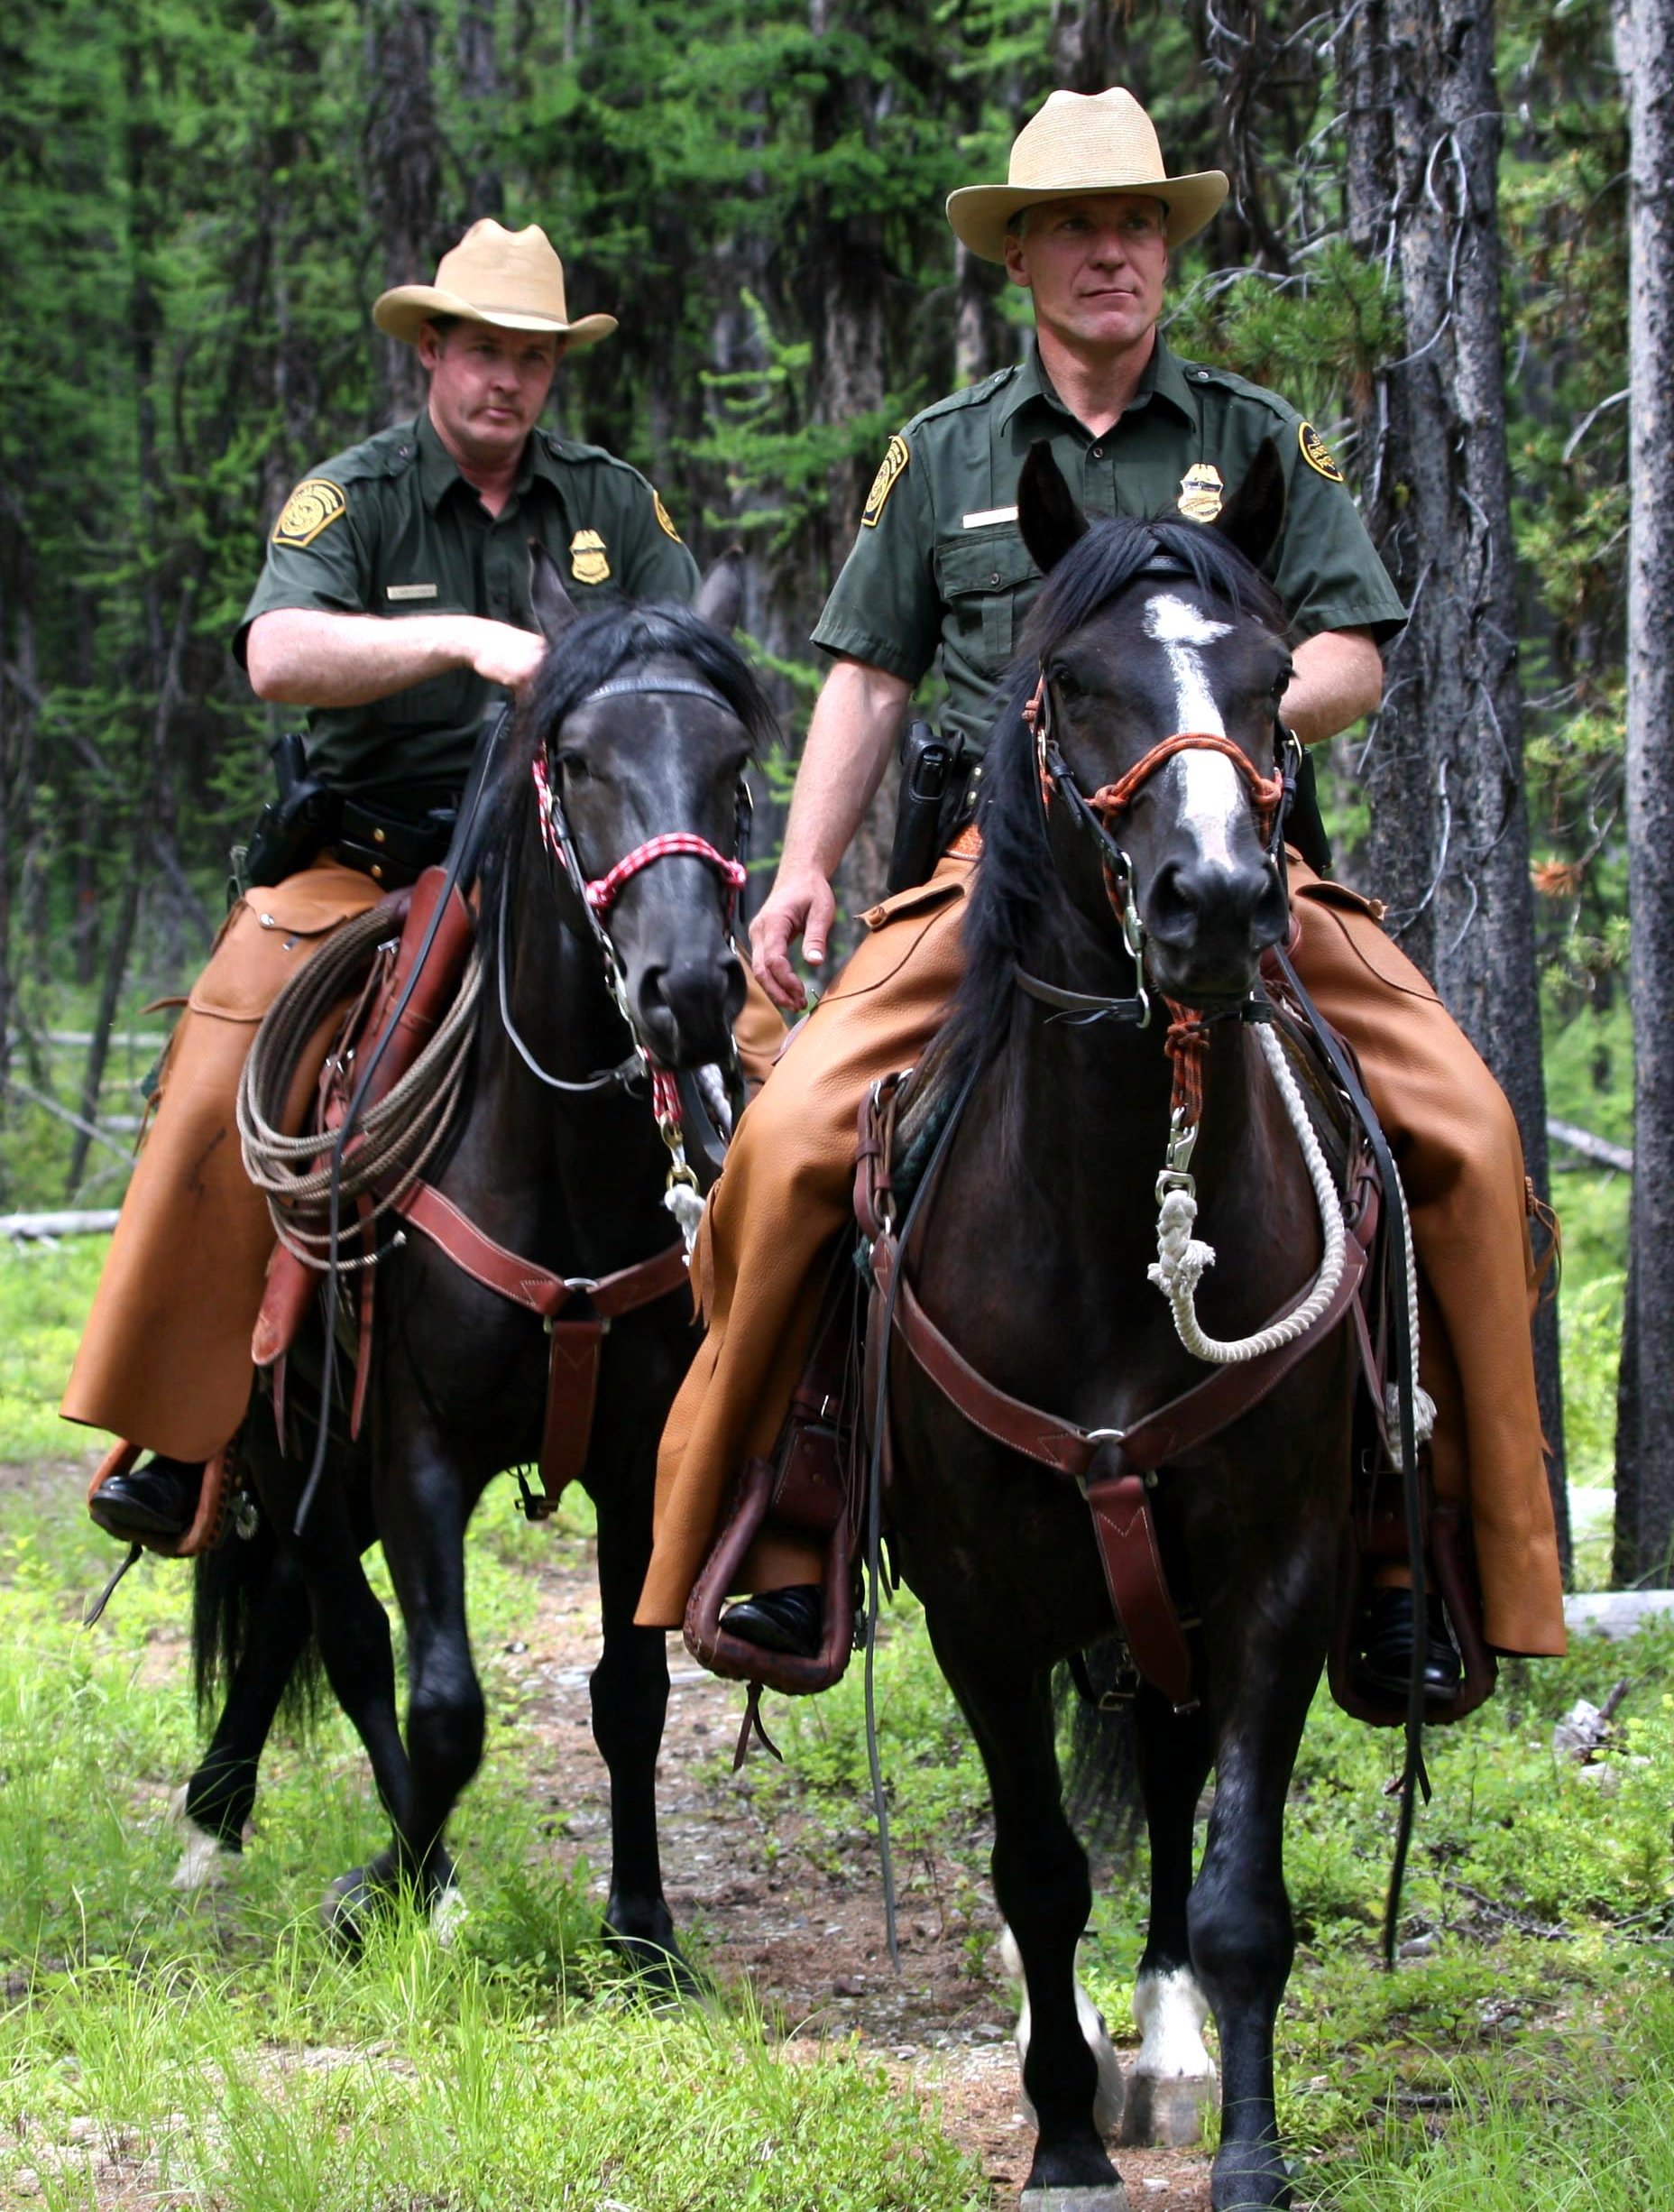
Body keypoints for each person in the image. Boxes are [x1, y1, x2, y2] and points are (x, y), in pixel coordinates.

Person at [635, 88, 1566, 1690]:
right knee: (786, 1144)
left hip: (1235, 865)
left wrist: (1218, 721)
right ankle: (786, 1508)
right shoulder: (945, 456)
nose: (1111, 251)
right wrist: (798, 872)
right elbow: (867, 678)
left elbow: (1350, 652)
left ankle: (1432, 1539)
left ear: (1165, 248)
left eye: (1137, 222)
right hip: (1002, 880)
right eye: (1075, 225)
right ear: (1024, 256)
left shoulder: (1259, 440)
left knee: (1470, 1140)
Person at [70, 217, 783, 1549]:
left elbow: (684, 669)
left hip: (580, 874)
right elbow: (277, 656)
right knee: (224, 1070)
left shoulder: (616, 507)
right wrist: (461, 640)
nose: (506, 380)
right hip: (370, 859)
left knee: (761, 1061)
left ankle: (779, 1429)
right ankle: (185, 1427)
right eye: (483, 353)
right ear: (432, 355)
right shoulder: (352, 497)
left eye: (532, 358)